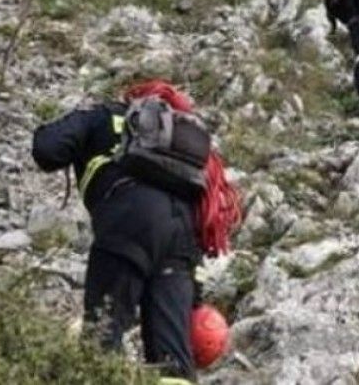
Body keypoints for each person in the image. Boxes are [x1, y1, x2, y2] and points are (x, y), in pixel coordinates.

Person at [31, 80, 242, 383]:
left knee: (102, 336)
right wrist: (192, 300)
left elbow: (47, 151)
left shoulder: (103, 115)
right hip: (183, 235)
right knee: (173, 361)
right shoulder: (179, 151)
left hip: (129, 221)